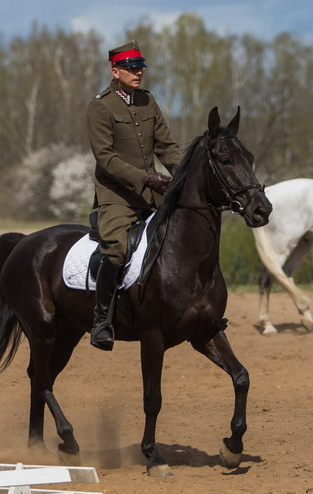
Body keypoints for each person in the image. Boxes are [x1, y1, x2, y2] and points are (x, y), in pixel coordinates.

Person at [86, 40, 185, 351]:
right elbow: (106, 159)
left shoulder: (147, 101)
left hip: (152, 194)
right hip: (117, 196)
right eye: (131, 68)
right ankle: (102, 320)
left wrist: (186, 173)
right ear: (115, 71)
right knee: (115, 249)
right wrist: (146, 178)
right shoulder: (100, 106)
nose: (138, 72)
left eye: (140, 67)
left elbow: (166, 147)